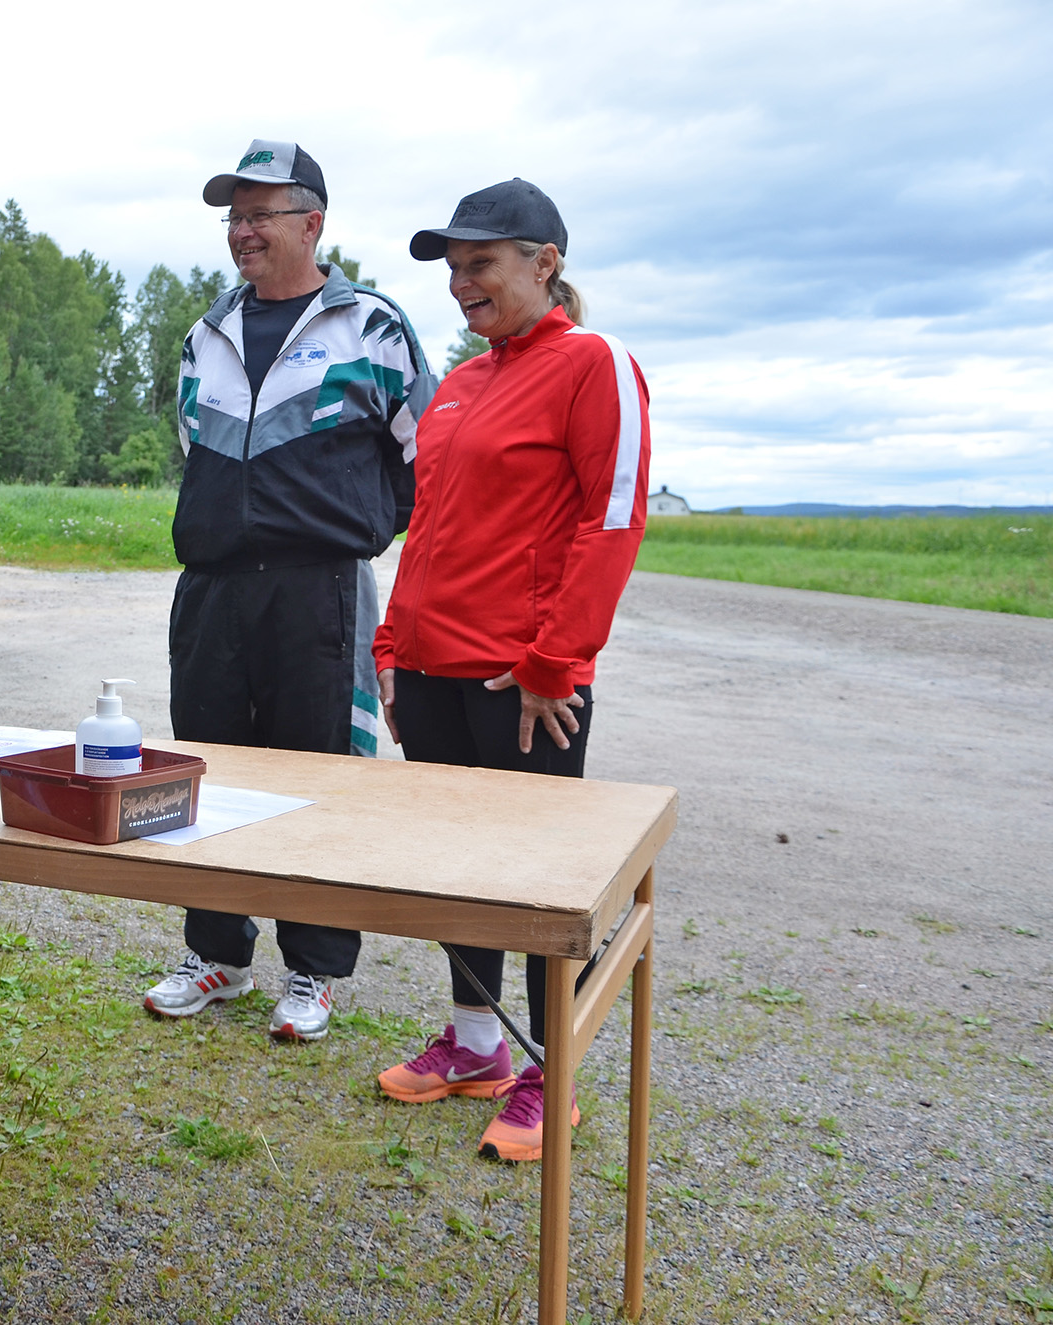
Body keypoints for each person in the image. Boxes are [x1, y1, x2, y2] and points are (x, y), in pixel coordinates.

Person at [372, 179, 651, 1161]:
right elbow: (428, 531)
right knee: (457, 872)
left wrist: (552, 659)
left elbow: (610, 518)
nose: (460, 285)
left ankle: (552, 1071)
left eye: (478, 265)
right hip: (435, 670)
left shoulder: (591, 364)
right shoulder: (455, 386)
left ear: (545, 263)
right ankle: (478, 1044)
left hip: (522, 683)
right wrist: (391, 649)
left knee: (534, 883)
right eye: (451, 269)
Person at [144, 140, 434, 1041]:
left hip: (321, 592)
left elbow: (427, 457)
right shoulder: (206, 333)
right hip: (214, 591)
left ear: (313, 222)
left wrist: (368, 536)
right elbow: (200, 456)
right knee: (209, 772)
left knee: (320, 779)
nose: (242, 231)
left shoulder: (371, 328)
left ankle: (313, 970)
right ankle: (218, 953)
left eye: (261, 214)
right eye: (234, 216)